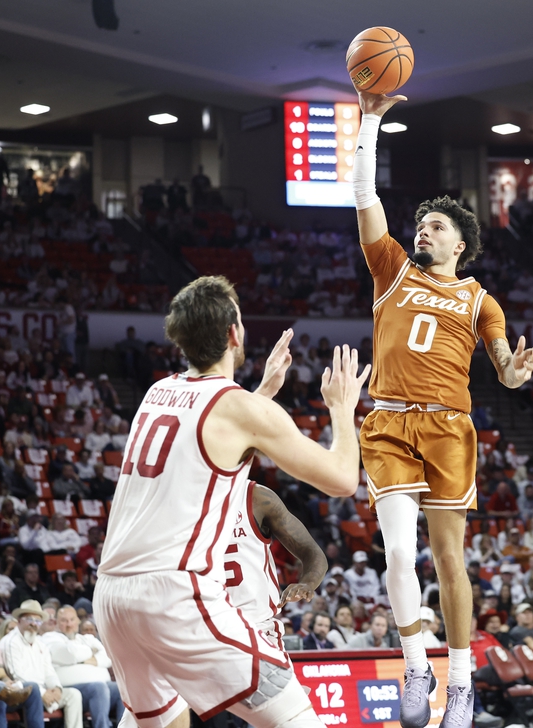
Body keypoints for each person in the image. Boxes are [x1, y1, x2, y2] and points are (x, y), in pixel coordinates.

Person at [94, 275, 369, 728]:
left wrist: (262, 394)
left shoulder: (155, 394)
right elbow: (342, 480)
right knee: (296, 718)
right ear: (234, 334)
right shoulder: (240, 409)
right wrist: (342, 407)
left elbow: (211, 443)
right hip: (172, 596)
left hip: (112, 598)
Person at [352, 89, 533, 728]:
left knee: (449, 558)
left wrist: (513, 375)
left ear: (460, 243)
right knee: (398, 557)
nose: (421, 230)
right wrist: (371, 120)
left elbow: (504, 370)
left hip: (449, 428)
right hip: (388, 421)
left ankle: (460, 683)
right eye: (421, 225)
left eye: (435, 226)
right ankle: (415, 663)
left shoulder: (482, 299)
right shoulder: (392, 271)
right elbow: (364, 199)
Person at [227, 481, 328, 655]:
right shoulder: (177, 502)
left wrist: (307, 583)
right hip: (198, 629)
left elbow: (313, 552)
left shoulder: (256, 497)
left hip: (255, 627)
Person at [0, 601, 83, 728]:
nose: (34, 624)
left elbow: (49, 671)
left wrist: (56, 688)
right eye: (29, 619)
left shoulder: (40, 643)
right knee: (34, 694)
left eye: (37, 621)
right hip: (21, 692)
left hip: (44, 691)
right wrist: (43, 693)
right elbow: (17, 675)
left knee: (74, 695)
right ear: (19, 621)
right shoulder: (11, 642)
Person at [42, 606, 122, 728]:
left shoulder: (87, 638)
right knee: (98, 688)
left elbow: (108, 657)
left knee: (122, 688)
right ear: (57, 623)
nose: (69, 624)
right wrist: (92, 652)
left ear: (78, 621)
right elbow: (70, 654)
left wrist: (80, 660)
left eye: (72, 619)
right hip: (72, 689)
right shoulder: (50, 637)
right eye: (64, 621)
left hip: (102, 688)